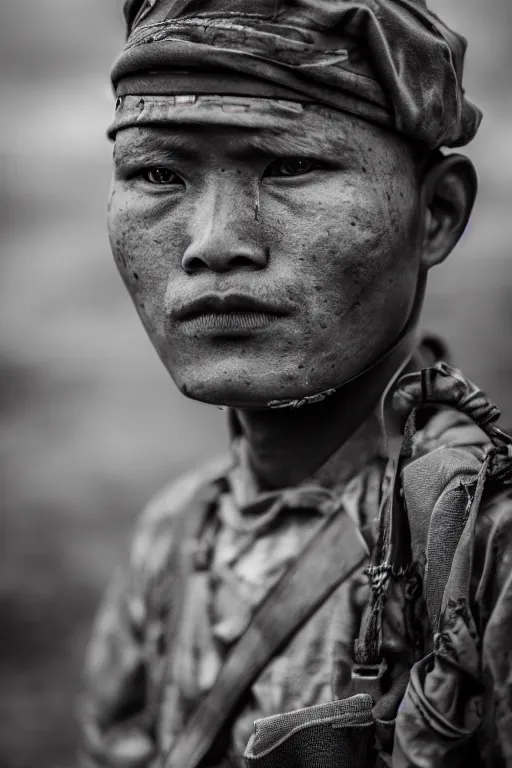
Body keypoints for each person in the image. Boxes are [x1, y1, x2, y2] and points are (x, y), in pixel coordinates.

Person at [81, 1, 512, 766]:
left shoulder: (486, 546)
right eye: (157, 172)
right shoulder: (176, 537)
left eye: (290, 166)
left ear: (437, 213)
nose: (216, 244)